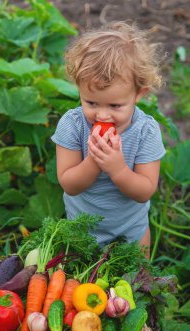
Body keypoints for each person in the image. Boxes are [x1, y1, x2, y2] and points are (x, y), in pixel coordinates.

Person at [51, 21, 166, 253]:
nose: (102, 115)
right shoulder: (72, 125)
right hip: (81, 232)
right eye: (91, 102)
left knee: (136, 280)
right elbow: (69, 184)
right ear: (79, 89)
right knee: (79, 281)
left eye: (115, 105)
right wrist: (94, 160)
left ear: (139, 94)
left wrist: (118, 169)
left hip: (131, 231)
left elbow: (144, 191)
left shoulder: (146, 131)